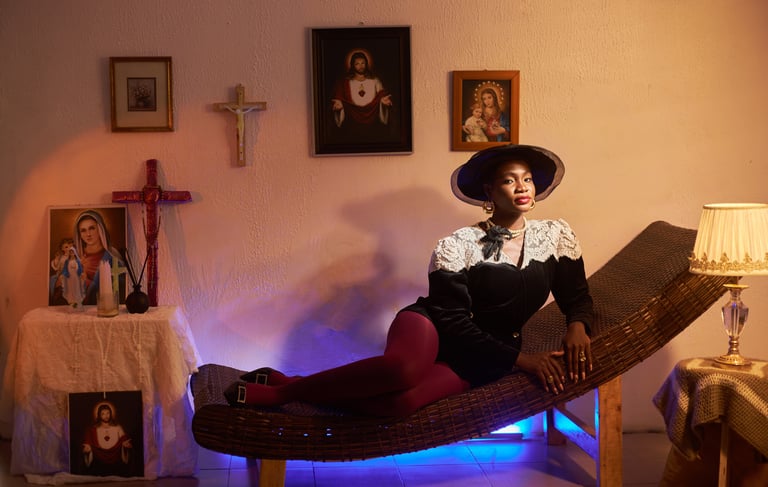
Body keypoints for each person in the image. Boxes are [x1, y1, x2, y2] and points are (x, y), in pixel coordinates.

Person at [225, 144, 594, 417]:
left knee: (400, 404)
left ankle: (285, 382)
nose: (522, 187)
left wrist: (577, 325)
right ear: (488, 192)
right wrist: (523, 360)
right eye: (509, 180)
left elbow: (576, 295)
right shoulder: (458, 244)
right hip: (431, 325)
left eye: (526, 179)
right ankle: (280, 395)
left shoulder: (555, 237)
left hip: (481, 356)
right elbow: (450, 320)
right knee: (402, 369)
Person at [330, 50, 393, 141]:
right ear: (352, 65)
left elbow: (381, 95)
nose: (361, 66)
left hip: (373, 123)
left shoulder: (375, 80)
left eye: (363, 63)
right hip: (351, 122)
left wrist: (382, 101)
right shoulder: (345, 82)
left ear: (366, 64)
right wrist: (340, 104)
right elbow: (339, 97)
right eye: (357, 64)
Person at [74, 209, 122, 305]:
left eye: (92, 228)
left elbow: (120, 284)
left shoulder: (112, 255)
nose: (88, 234)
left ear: (100, 229)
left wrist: (86, 282)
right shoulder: (76, 256)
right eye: (83, 230)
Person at [81, 402, 133, 475]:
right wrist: (88, 449)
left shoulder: (118, 428)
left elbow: (124, 441)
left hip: (116, 464)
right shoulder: (93, 430)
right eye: (103, 414)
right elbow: (89, 444)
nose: (106, 416)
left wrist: (125, 446)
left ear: (111, 414)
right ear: (99, 415)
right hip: (98, 463)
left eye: (108, 413)